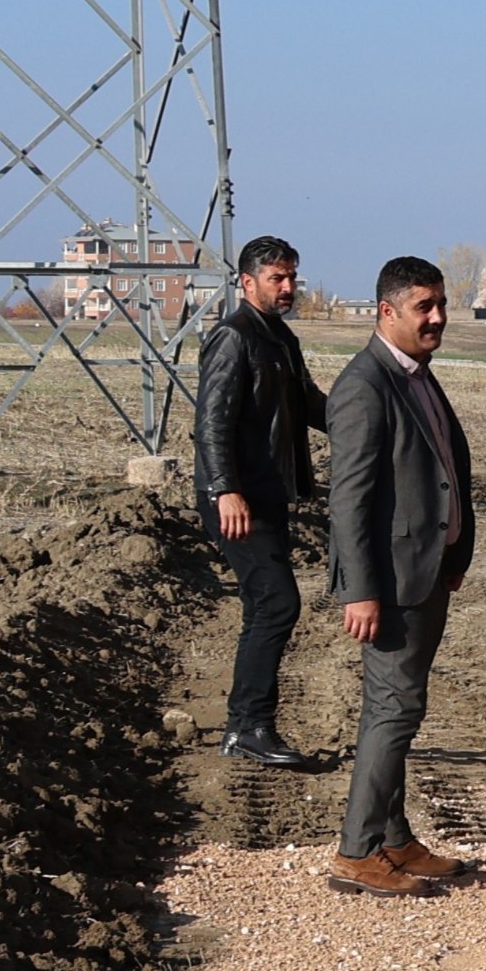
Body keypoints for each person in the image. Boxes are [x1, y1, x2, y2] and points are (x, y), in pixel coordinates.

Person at [326, 256, 476, 899]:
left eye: (441, 303)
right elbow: (349, 500)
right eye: (425, 306)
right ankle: (357, 850)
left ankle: (392, 837)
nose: (438, 317)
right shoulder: (365, 385)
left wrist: (454, 552)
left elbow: (441, 470)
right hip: (388, 584)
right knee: (395, 710)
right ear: (387, 312)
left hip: (426, 573)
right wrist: (359, 589)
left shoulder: (416, 376)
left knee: (392, 710)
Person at [194, 234, 325, 767]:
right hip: (236, 496)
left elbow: (308, 402)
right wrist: (225, 489)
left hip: (267, 494)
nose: (289, 286)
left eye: (293, 276)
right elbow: (210, 423)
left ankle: (248, 725)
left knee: (266, 604)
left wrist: (367, 424)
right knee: (277, 602)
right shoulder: (234, 337)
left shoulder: (280, 338)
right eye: (278, 278)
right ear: (247, 283)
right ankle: (248, 727)